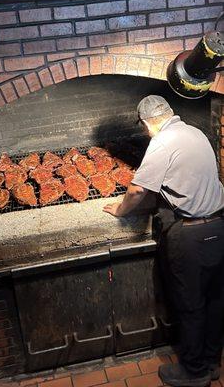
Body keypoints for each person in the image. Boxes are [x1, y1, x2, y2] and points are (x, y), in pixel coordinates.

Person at [103, 95, 224, 387]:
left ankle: (194, 373)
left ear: (147, 123)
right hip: (220, 226)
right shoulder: (195, 131)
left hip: (191, 233)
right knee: (216, 300)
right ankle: (211, 362)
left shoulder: (161, 142)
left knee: (191, 305)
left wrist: (119, 210)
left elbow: (136, 191)